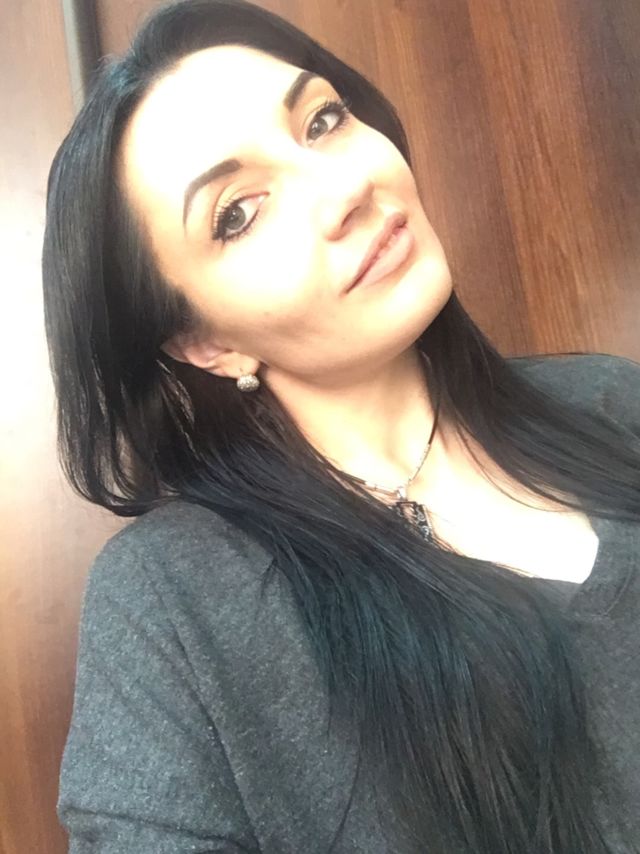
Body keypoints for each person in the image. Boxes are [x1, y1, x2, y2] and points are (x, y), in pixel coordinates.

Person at [41, 0, 640, 851]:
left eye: (323, 121)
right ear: (208, 343)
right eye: (238, 213)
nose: (346, 188)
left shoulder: (611, 403)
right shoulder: (174, 605)